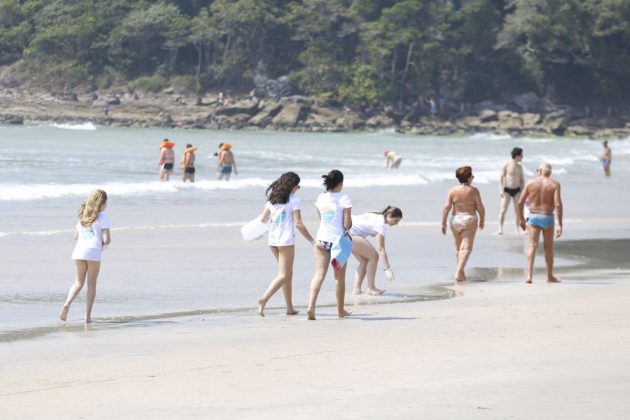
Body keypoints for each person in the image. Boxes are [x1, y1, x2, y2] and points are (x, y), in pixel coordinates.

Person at [257, 172, 315, 317]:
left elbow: (263, 219)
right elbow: (299, 223)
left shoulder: (272, 200)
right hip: (285, 242)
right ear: (293, 186)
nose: (298, 188)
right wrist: (312, 240)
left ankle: (289, 308)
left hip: (272, 242)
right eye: (298, 186)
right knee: (284, 275)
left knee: (287, 274)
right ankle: (264, 299)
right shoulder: (294, 200)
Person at [307, 169, 353, 320]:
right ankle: (340, 310)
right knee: (339, 278)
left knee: (319, 275)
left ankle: (311, 307)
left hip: (321, 241)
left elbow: (322, 220)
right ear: (340, 183)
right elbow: (347, 224)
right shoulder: (344, 198)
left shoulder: (320, 198)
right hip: (337, 244)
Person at [60, 189, 111, 323]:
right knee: (91, 284)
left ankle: (67, 303)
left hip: (79, 252)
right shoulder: (103, 218)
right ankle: (87, 316)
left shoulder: (83, 217)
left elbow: (75, 236)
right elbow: (106, 239)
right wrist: (103, 242)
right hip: (93, 252)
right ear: (102, 203)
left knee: (77, 283)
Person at [517, 163, 563, 284]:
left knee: (532, 245)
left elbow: (520, 202)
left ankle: (529, 276)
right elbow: (558, 204)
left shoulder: (530, 182)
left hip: (533, 216)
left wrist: (521, 219)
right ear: (549, 172)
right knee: (548, 248)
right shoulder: (555, 184)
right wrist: (560, 224)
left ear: (540, 171)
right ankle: (549, 276)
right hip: (547, 217)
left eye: (538, 170)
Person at [441, 166, 485, 282]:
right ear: (469, 177)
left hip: (455, 220)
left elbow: (446, 207)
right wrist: (482, 219)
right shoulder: (474, 191)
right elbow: (480, 208)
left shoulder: (452, 190)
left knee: (458, 247)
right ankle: (458, 272)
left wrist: (443, 223)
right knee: (466, 248)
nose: (473, 178)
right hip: (469, 219)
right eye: (472, 176)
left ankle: (461, 273)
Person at [349, 206, 402, 295]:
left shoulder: (377, 214)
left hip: (345, 233)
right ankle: (371, 288)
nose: (396, 224)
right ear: (389, 215)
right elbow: (381, 249)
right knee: (374, 257)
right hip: (351, 234)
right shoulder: (381, 224)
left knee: (364, 261)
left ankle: (357, 289)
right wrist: (387, 269)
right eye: (396, 220)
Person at [498, 147, 525, 234]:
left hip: (517, 190)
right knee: (503, 210)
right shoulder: (506, 165)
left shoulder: (520, 167)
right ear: (517, 155)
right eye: (521, 155)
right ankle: (500, 228)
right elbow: (501, 178)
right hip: (507, 190)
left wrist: (523, 191)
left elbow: (522, 180)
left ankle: (517, 229)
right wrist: (501, 189)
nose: (522, 157)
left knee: (518, 211)